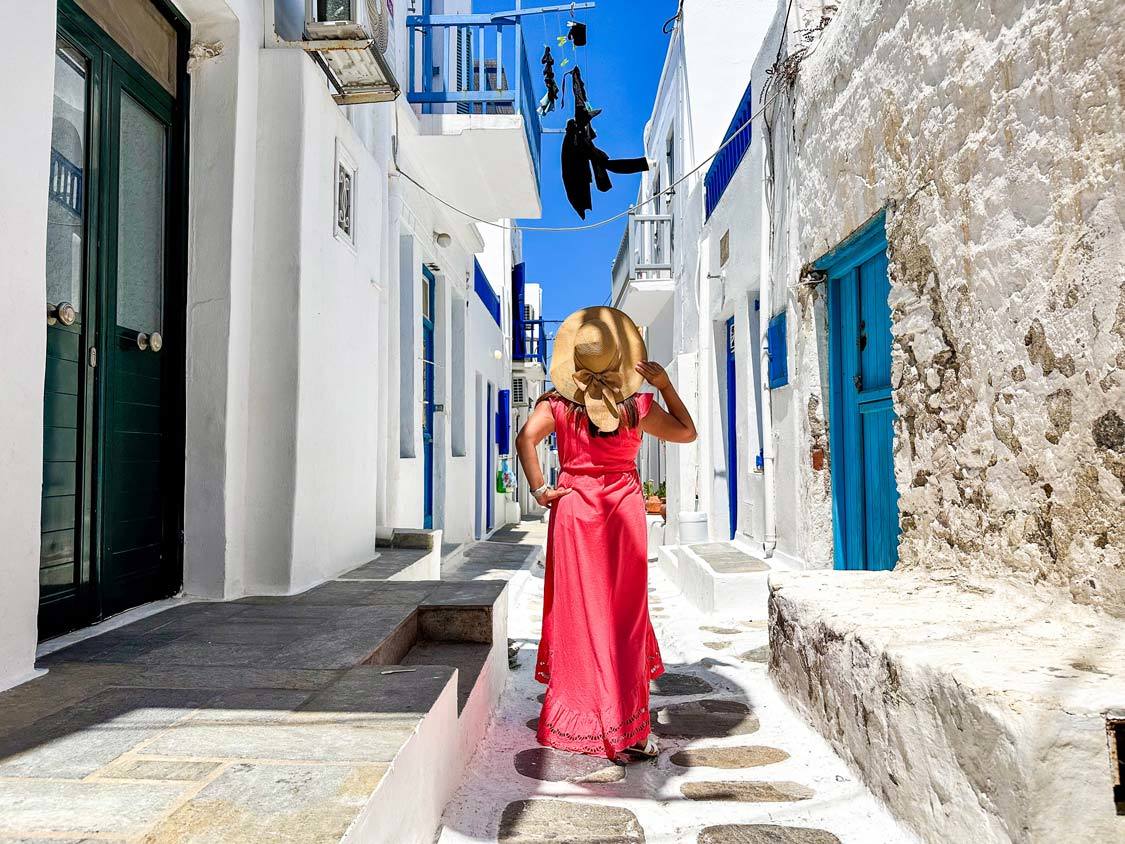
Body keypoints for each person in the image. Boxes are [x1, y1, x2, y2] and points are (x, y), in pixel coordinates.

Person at [515, 306, 697, 760]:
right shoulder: (637, 406)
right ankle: (629, 727)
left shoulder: (555, 405)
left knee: (578, 616)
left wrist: (540, 489)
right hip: (622, 514)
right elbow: (687, 432)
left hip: (575, 514)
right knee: (624, 619)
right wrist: (666, 386)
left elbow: (525, 439)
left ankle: (578, 716)